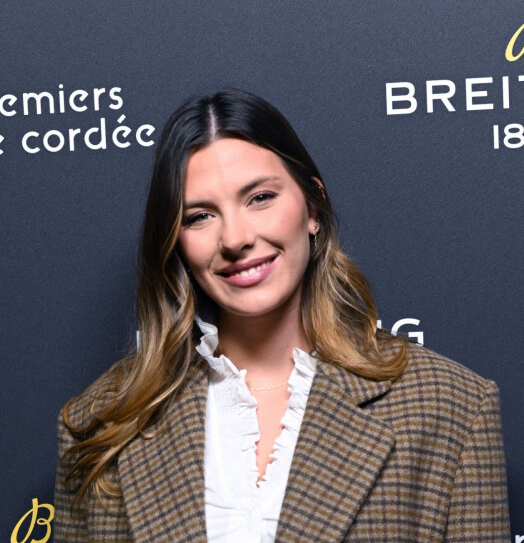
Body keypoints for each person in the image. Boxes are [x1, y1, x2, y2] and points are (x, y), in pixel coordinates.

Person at [54, 89, 510, 542]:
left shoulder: (453, 409)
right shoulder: (100, 423)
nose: (234, 238)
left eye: (260, 198)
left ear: (313, 206)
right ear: (174, 241)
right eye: (199, 217)